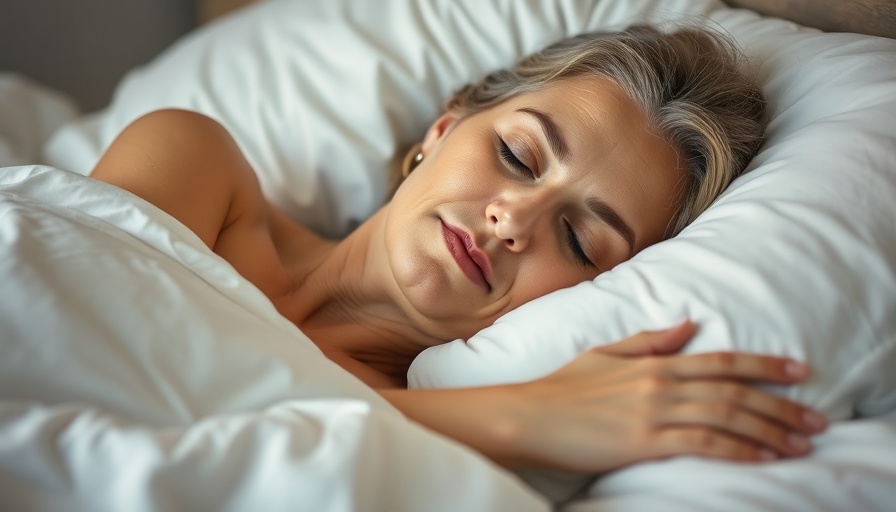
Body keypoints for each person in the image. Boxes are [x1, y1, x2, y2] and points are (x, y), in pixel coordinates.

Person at [89, 25, 827, 475]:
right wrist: (524, 417)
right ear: (440, 132)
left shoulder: (424, 450)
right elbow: (84, 331)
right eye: (517, 154)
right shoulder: (195, 159)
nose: (514, 220)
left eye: (578, 239)